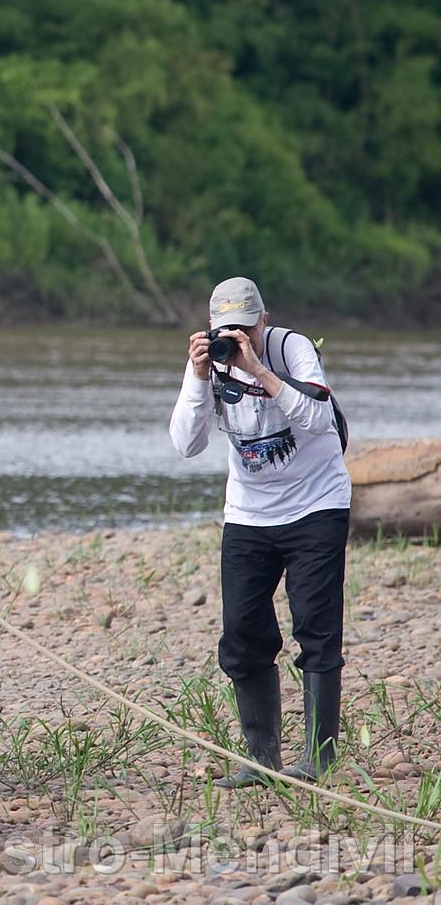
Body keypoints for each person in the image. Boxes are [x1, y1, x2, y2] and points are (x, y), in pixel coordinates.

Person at [170, 277, 350, 788]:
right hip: (250, 514)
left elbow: (319, 417)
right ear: (210, 327)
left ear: (263, 320)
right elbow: (186, 444)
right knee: (243, 636)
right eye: (226, 330)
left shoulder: (290, 349)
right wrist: (198, 376)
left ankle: (318, 758)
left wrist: (257, 369)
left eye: (246, 328)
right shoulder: (209, 360)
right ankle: (263, 759)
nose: (237, 338)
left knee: (316, 628)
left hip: (317, 505)